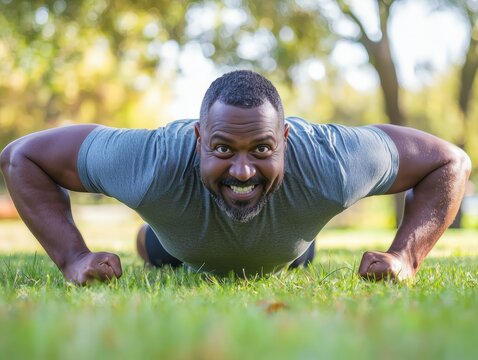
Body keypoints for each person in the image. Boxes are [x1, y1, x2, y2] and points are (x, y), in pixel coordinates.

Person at [0, 70, 471, 285]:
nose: (243, 170)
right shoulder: (149, 161)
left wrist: (405, 258)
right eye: (223, 148)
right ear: (198, 137)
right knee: (154, 248)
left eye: (263, 149)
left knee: (299, 254)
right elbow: (21, 157)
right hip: (181, 240)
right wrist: (74, 258)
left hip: (289, 246)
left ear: (285, 139)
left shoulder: (335, 162)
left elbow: (450, 162)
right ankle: (156, 240)